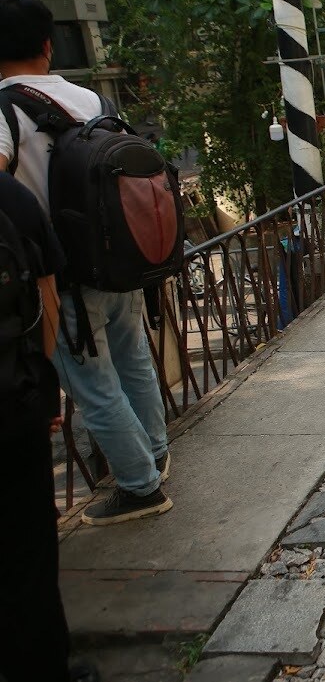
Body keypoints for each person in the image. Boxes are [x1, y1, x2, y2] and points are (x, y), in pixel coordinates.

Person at [0, 0, 172, 527]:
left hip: (62, 274)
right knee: (133, 360)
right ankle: (155, 455)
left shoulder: (4, 109)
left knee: (92, 384)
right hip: (118, 261)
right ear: (47, 45)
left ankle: (140, 486)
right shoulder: (89, 99)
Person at [0, 171, 91, 682]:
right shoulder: (11, 198)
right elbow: (44, 301)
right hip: (11, 408)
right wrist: (43, 382)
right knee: (26, 550)